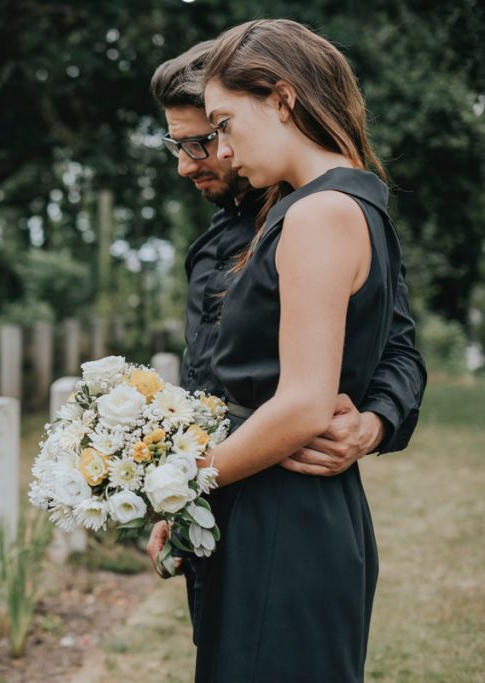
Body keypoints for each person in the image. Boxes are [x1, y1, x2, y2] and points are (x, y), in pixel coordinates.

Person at [154, 19, 425, 681]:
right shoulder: (329, 205)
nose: (211, 151)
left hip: (285, 506)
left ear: (280, 99)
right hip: (258, 499)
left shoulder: (318, 213)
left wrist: (177, 487)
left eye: (218, 127)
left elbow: (306, 402)